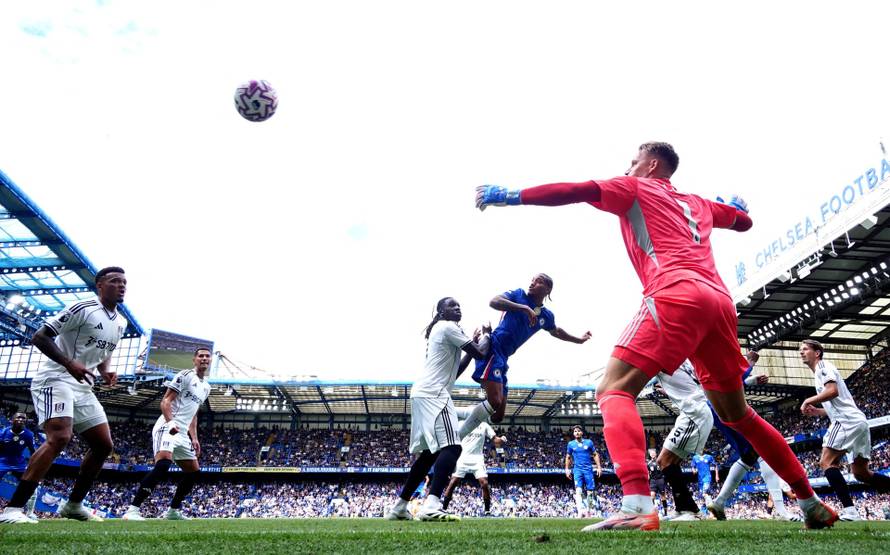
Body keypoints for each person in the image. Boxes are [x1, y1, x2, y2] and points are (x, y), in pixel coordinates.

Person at [475, 142, 837, 531]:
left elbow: (576, 190)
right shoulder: (698, 203)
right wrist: (736, 207)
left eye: (632, 162)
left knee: (613, 390)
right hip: (719, 303)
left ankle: (637, 505)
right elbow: (742, 223)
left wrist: (509, 196)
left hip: (674, 293)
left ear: (651, 165)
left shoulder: (634, 187)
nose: (626, 168)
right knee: (739, 415)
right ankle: (810, 501)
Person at [0, 267, 127, 524]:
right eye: (115, 281)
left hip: (82, 386)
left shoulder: (120, 323)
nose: (122, 286)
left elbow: (103, 349)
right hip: (55, 378)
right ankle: (13, 509)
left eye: (124, 282)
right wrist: (69, 363)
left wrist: (105, 371)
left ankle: (73, 505)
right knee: (59, 437)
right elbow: (40, 337)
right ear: (100, 285)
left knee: (103, 446)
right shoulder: (83, 307)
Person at [386, 297, 489, 521]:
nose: (458, 308)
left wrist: (472, 346)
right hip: (434, 394)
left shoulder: (444, 331)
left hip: (424, 393)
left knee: (429, 455)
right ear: (442, 312)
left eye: (460, 305)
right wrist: (489, 335)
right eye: (452, 305)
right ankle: (431, 505)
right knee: (452, 447)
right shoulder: (447, 327)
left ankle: (399, 507)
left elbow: (456, 372)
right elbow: (482, 352)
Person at [458, 275, 591, 437]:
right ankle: (456, 436)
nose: (532, 283)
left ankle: (462, 413)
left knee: (497, 416)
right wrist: (523, 308)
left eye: (539, 281)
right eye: (533, 280)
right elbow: (494, 301)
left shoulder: (546, 316)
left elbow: (556, 331)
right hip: (494, 349)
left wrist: (579, 340)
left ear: (548, 289)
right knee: (494, 402)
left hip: (504, 358)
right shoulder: (519, 295)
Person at [799, 339, 890, 521]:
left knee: (826, 462)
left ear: (817, 353)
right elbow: (836, 403)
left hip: (846, 422)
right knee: (861, 473)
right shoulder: (820, 371)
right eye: (800, 350)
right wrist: (818, 411)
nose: (801, 352)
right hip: (857, 421)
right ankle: (851, 510)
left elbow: (832, 391)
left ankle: (850, 511)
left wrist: (809, 400)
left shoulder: (823, 367)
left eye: (805, 349)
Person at [123, 347, 213, 520]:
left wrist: (194, 437)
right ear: (194, 359)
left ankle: (173, 511)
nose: (204, 358)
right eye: (200, 356)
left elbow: (193, 413)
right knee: (163, 464)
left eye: (207, 356)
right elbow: (166, 401)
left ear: (210, 361)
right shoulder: (185, 375)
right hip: (167, 425)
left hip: (182, 433)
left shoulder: (206, 387)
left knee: (194, 472)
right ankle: (132, 510)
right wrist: (171, 422)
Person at [652, 361, 713, 520]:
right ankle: (683, 508)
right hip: (693, 411)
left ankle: (691, 511)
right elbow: (691, 385)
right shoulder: (682, 359)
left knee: (663, 461)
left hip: (694, 414)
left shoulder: (660, 354)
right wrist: (670, 392)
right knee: (669, 463)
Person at [441, 415, 506, 516]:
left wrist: (501, 439)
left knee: (484, 483)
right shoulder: (461, 424)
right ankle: (443, 508)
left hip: (477, 459)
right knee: (453, 483)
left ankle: (487, 511)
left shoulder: (484, 425)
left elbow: (495, 440)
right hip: (462, 457)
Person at [0, 413, 39, 520]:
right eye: (18, 417)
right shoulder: (4, 432)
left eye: (23, 418)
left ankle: (30, 512)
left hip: (19, 464)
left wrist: (34, 466)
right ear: (12, 420)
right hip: (2, 462)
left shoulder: (28, 435)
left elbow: (33, 451)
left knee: (32, 486)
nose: (21, 419)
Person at [565, 425, 602, 518]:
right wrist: (567, 469)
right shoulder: (571, 444)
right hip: (577, 470)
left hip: (588, 470)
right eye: (575, 431)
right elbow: (568, 457)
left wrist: (599, 467)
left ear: (582, 432)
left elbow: (595, 454)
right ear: (573, 434)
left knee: (590, 492)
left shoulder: (589, 442)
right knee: (578, 491)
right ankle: (580, 512)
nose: (577, 433)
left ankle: (589, 511)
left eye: (578, 431)